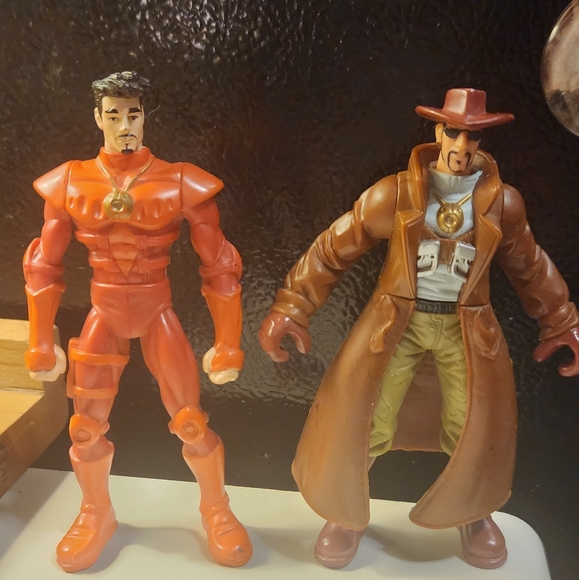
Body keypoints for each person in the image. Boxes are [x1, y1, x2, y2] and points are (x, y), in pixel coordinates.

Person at [259, 88, 579, 570]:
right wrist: (293, 304)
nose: (461, 144)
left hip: (465, 328)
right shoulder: (397, 193)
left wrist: (561, 320)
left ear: (482, 141)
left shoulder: (501, 203)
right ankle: (346, 511)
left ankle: (473, 512)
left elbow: (530, 265)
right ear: (438, 131)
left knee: (472, 422)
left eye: (472, 135)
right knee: (368, 414)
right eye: (453, 131)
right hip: (397, 323)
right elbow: (335, 246)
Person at [23, 71, 252, 572]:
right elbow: (43, 263)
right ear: (97, 118)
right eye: (114, 114)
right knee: (84, 429)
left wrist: (228, 342)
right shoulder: (69, 181)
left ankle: (216, 509)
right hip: (103, 311)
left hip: (156, 309)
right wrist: (39, 339)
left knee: (191, 421)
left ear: (146, 117)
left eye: (133, 113)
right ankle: (95, 512)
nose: (125, 125)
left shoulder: (181, 181)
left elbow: (220, 264)